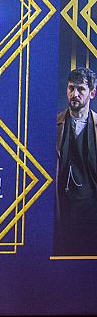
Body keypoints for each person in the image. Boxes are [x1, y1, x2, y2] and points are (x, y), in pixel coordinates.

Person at [54, 67, 97, 255]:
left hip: (91, 212)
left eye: (81, 89)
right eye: (71, 88)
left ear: (92, 93)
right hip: (62, 211)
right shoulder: (55, 124)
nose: (75, 94)